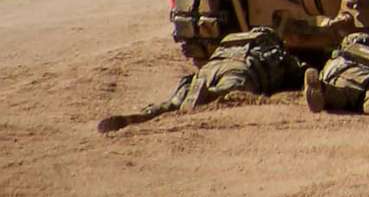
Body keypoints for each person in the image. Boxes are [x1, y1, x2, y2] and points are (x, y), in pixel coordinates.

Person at [98, 27, 303, 133]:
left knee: (175, 102)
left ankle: (147, 114)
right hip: (238, 70)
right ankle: (210, 94)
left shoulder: (229, 41)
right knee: (229, 93)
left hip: (207, 69)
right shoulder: (273, 50)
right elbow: (300, 74)